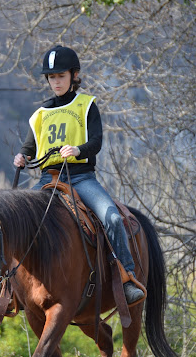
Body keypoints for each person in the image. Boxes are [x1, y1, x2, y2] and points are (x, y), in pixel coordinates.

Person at [14, 44, 145, 304]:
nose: (56, 81)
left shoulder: (87, 105)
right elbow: (29, 148)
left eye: (61, 76)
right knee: (18, 222)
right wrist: (22, 157)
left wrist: (77, 149)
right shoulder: (40, 114)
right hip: (47, 179)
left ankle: (126, 276)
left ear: (74, 76)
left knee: (112, 217)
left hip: (81, 178)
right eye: (52, 77)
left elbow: (96, 142)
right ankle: (11, 289)